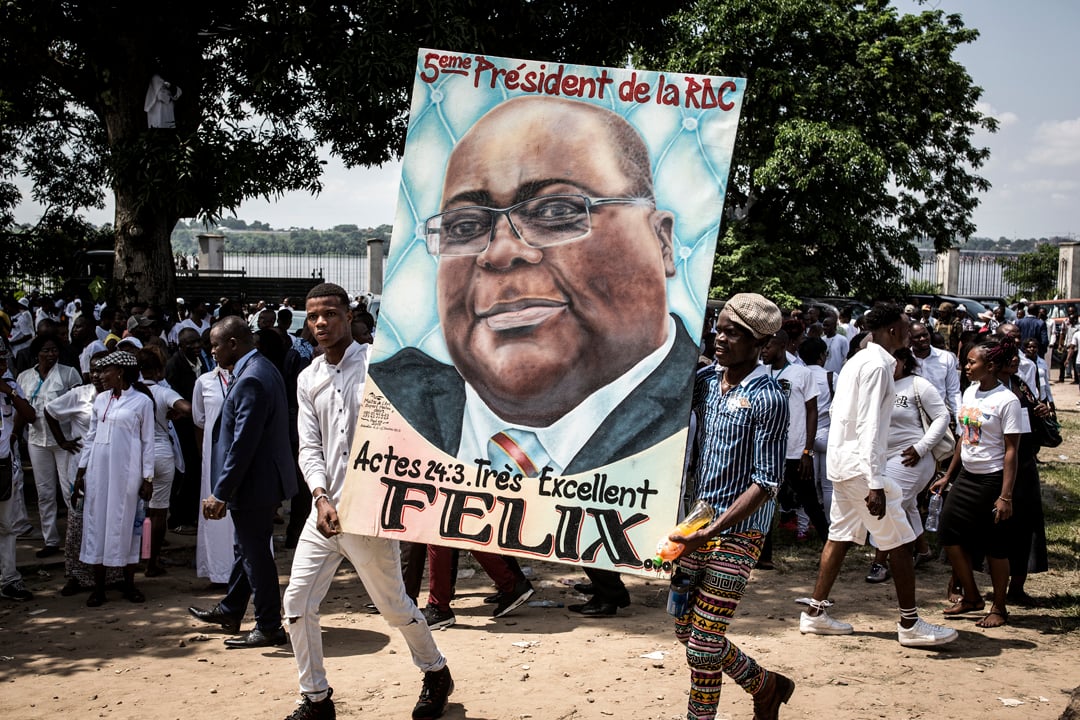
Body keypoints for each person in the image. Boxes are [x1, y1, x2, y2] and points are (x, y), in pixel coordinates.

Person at [370, 95, 700, 615]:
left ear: (661, 243)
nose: (500, 252)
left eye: (555, 210)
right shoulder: (396, 399)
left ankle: (604, 588)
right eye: (464, 226)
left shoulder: (690, 403)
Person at [282, 283, 453, 720]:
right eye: (313, 316)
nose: (321, 324)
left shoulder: (381, 366)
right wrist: (319, 496)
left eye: (330, 314)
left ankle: (435, 671)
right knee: (297, 604)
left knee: (394, 606)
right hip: (324, 514)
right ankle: (316, 698)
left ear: (348, 316)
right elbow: (309, 447)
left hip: (371, 513)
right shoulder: (308, 378)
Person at [799, 302, 957, 647]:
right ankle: (910, 624)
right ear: (892, 331)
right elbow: (870, 426)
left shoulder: (859, 361)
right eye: (906, 325)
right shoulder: (876, 367)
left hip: (843, 465)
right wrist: (875, 483)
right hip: (860, 468)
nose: (910, 330)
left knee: (840, 535)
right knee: (899, 540)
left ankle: (814, 613)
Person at [672, 293, 794, 720]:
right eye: (718, 328)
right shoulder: (707, 381)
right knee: (685, 629)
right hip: (693, 523)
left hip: (739, 533)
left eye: (733, 333)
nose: (719, 338)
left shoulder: (770, 397)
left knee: (704, 644)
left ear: (762, 343)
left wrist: (714, 530)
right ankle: (766, 685)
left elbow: (766, 481)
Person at [189, 316, 297, 648]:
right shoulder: (260, 368)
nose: (212, 352)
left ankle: (268, 624)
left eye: (215, 345)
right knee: (246, 549)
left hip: (254, 483)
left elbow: (243, 442)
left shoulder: (252, 378)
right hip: (261, 480)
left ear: (233, 343)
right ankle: (232, 608)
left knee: (255, 554)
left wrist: (221, 492)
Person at [933, 338, 1024, 628]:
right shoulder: (970, 392)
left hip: (993, 480)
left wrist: (1005, 496)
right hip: (967, 476)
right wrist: (949, 474)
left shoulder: (1007, 400)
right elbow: (964, 436)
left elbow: (1012, 450)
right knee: (948, 533)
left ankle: (999, 606)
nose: (966, 366)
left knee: (994, 545)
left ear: (991, 366)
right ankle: (972, 596)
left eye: (972, 362)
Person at [72, 351, 155, 606]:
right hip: (98, 474)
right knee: (97, 525)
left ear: (120, 372)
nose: (99, 376)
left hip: (127, 474)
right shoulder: (100, 400)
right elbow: (91, 437)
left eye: (105, 371)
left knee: (126, 525)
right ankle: (99, 588)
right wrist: (81, 472)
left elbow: (147, 441)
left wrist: (147, 478)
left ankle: (129, 585)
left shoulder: (142, 402)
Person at [864, 347, 949, 583]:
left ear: (903, 361)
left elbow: (942, 417)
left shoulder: (917, 384)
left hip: (912, 457)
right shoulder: (878, 386)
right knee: (907, 505)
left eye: (894, 361)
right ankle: (922, 550)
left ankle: (879, 562)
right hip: (883, 457)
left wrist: (922, 447)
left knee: (888, 503)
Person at [44, 351, 124, 595]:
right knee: (79, 523)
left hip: (112, 470)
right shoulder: (79, 395)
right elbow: (49, 411)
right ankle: (77, 576)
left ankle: (112, 575)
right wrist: (63, 442)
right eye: (94, 370)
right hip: (82, 470)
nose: (99, 375)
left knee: (110, 521)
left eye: (104, 369)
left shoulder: (123, 397)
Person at [16, 333, 83, 557]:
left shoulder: (69, 373)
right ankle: (51, 540)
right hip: (36, 440)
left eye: (54, 350)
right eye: (46, 350)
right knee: (44, 492)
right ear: (37, 353)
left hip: (66, 442)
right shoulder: (25, 377)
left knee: (69, 490)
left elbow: (80, 404)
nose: (51, 354)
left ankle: (77, 539)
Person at [136, 347, 191, 576]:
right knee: (158, 513)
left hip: (135, 455)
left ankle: (132, 558)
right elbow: (187, 408)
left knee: (133, 510)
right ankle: (152, 561)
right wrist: (175, 413)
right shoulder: (161, 392)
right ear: (158, 370)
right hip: (160, 453)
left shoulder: (130, 392)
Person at [191, 363, 232, 585]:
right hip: (213, 453)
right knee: (214, 510)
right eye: (212, 347)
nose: (214, 351)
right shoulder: (204, 381)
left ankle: (246, 570)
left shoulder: (246, 376)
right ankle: (218, 572)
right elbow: (199, 418)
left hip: (240, 452)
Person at [1, 350, 36, 601]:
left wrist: (9, 392)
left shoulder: (10, 386)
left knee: (7, 526)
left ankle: (9, 579)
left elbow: (30, 415)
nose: (2, 364)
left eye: (3, 359)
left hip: (4, 465)